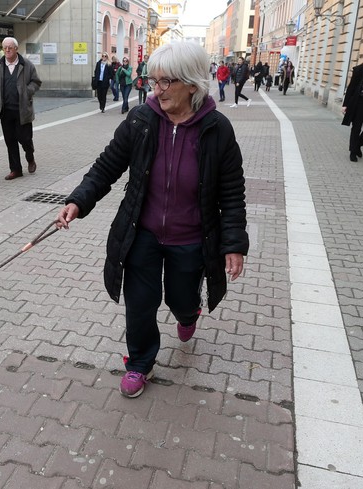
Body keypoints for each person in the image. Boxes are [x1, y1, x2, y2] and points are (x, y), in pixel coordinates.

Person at [54, 41, 248, 399]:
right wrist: (78, 201)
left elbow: (232, 193)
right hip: (141, 233)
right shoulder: (141, 120)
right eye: (151, 81)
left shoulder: (217, 130)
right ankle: (140, 362)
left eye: (164, 82)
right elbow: (107, 166)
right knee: (140, 304)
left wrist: (234, 244)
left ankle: (189, 315)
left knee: (181, 298)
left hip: (191, 238)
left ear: (191, 83)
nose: (155, 90)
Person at [0, 37, 42, 180]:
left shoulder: (26, 65)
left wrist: (27, 91)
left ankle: (30, 156)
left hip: (23, 110)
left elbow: (36, 82)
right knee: (10, 141)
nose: (7, 50)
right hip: (6, 110)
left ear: (16, 49)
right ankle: (16, 169)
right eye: (5, 48)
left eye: (10, 47)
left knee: (25, 139)